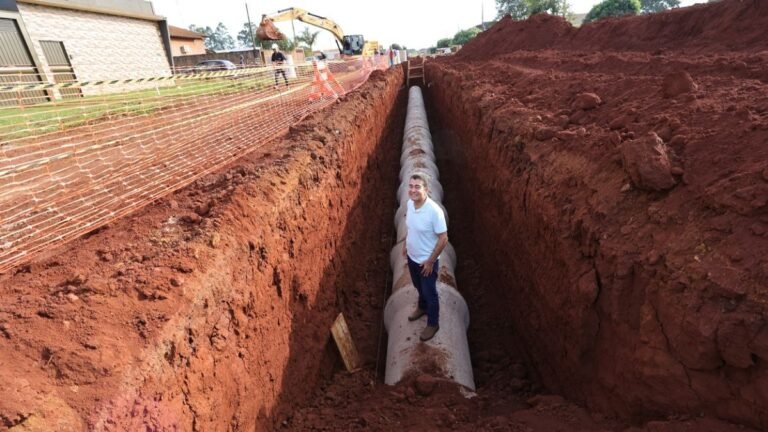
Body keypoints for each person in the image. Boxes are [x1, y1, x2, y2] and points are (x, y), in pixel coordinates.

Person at [403, 174, 448, 341]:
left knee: (430, 293)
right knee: (418, 285)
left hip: (426, 262)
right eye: (411, 186)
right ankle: (422, 307)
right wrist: (405, 244)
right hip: (412, 257)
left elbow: (443, 238)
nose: (413, 190)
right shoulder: (410, 204)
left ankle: (433, 323)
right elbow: (411, 227)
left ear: (427, 190)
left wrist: (430, 261)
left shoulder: (434, 211)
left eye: (417, 187)